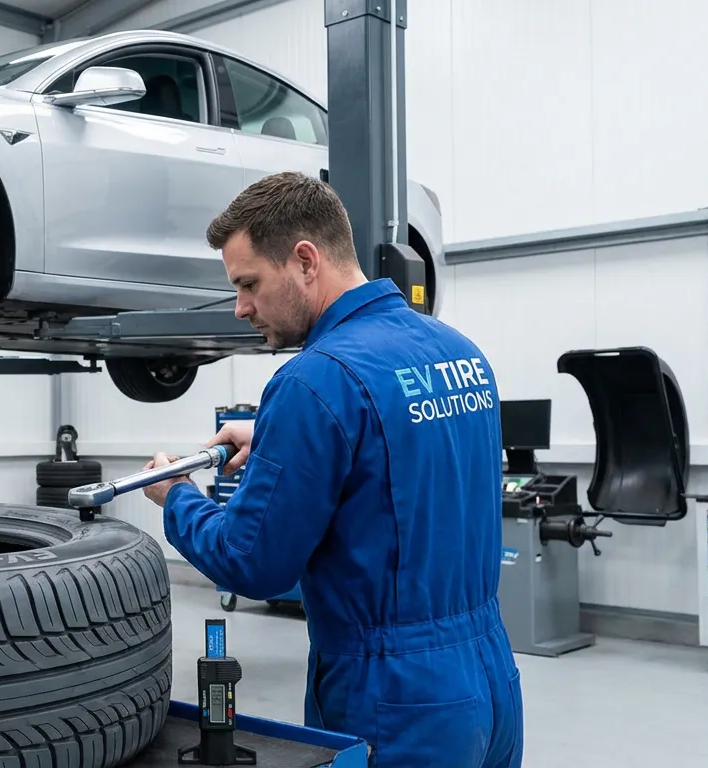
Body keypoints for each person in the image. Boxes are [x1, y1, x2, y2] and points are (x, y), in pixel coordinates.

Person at [141, 172, 524, 768]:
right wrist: (277, 438)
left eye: (248, 284)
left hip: (394, 698)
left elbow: (252, 562)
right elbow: (399, 453)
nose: (241, 308)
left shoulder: (313, 381)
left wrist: (177, 497)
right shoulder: (459, 352)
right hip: (491, 676)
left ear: (304, 260)